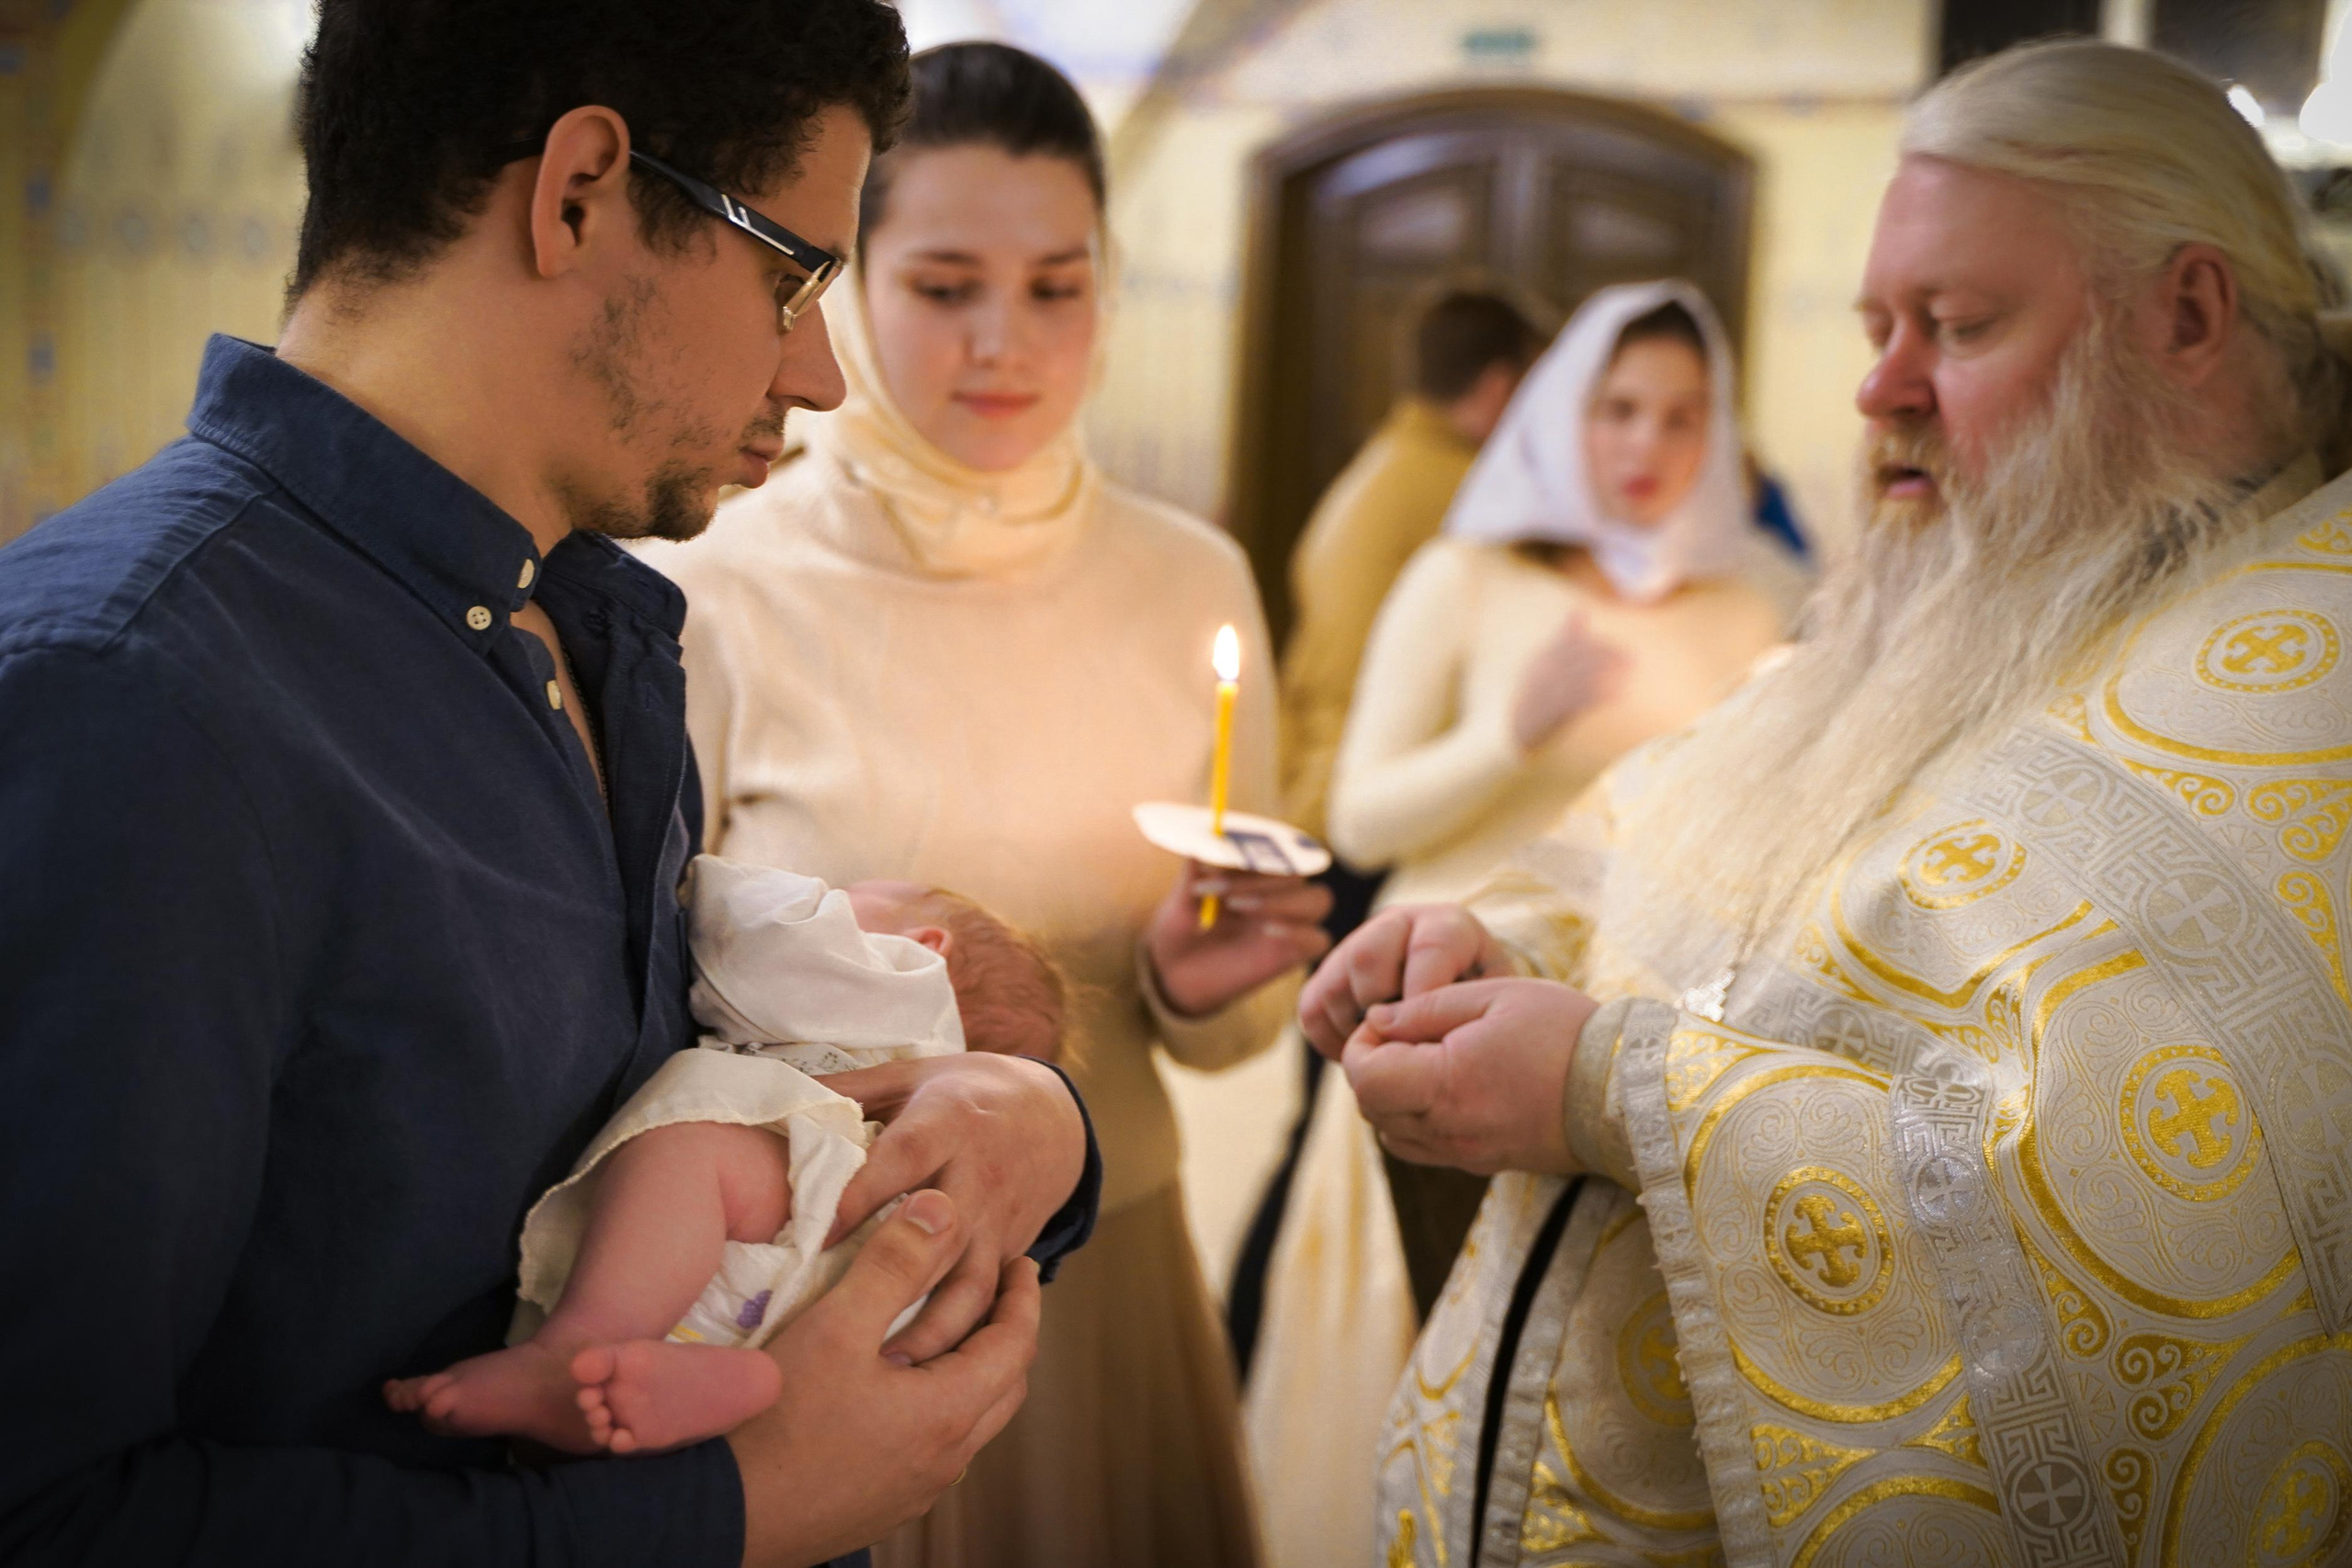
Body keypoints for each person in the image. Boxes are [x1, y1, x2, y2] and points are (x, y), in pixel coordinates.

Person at [0, 5, 1104, 1566]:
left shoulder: (588, 617)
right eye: (798, 273)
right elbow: (46, 1509)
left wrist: (1034, 1120)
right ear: (581, 189)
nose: (824, 372)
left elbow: (679, 1110)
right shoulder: (126, 700)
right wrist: (732, 1507)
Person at [1299, 38, 2352, 1565]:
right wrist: (1498, 939)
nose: (1880, 386)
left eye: (1956, 323)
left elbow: (2159, 1244)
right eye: (1877, 323)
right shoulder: (1987, 577)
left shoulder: (2307, 679)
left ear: (2186, 312)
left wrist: (1614, 1088)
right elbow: (1672, 826)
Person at [647, 41, 1326, 1568]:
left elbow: (1220, 1026)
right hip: (827, 1297)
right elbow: (645, 980)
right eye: (946, 286)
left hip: (1114, 1259)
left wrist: (1195, 980)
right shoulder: (721, 581)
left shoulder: (1190, 580)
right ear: (847, 287)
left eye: (1058, 285)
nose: (1005, 342)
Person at [1245, 281, 1784, 1568]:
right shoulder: (1466, 575)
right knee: (1397, 1329)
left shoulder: (1757, 603)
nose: (1647, 446)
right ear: (1563, 415)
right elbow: (1363, 815)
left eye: (1682, 416)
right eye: (1619, 411)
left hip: (1622, 1035)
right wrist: (1512, 730)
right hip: (1441, 982)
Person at [387, 858, 1069, 1459]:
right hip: (835, 1297)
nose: (822, 899)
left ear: (925, 946)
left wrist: (702, 872)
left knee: (693, 1153)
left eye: (844, 896)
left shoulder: (905, 981)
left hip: (818, 1197)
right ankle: (726, 1394)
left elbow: (752, 943)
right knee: (628, 1405)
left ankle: (577, 1347)